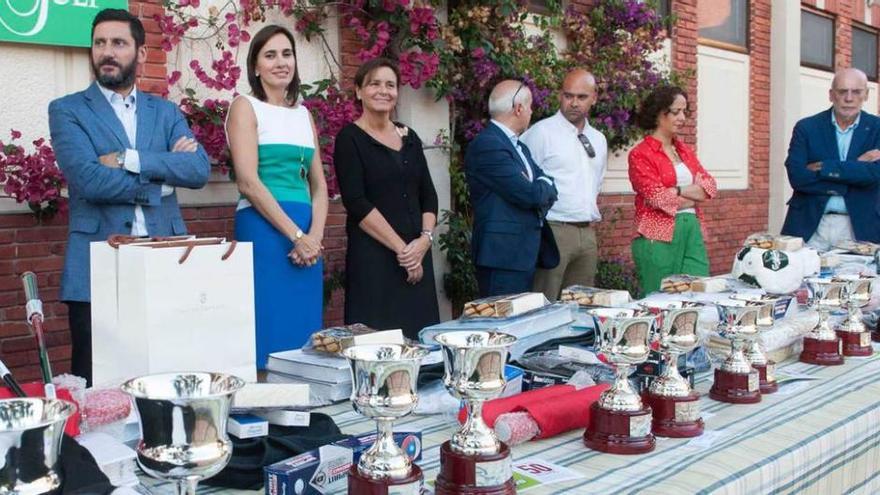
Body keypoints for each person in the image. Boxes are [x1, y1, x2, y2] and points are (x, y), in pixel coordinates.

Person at [48, 9, 210, 385]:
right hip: (98, 264)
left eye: (118, 43)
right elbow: (88, 180)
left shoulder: (166, 112)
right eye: (100, 43)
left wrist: (128, 160)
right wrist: (163, 180)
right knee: (97, 384)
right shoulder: (67, 110)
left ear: (140, 53)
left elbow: (199, 170)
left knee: (168, 376)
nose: (107, 51)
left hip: (165, 260)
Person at [226, 25, 329, 367]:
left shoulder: (303, 114)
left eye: (287, 54)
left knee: (303, 329)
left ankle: (303, 411)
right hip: (265, 228)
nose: (280, 62)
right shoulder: (245, 107)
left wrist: (313, 237)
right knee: (267, 324)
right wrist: (296, 236)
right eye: (270, 55)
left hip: (305, 232)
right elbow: (248, 182)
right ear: (255, 66)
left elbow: (319, 186)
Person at [334, 58, 439, 339]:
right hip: (375, 259)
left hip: (417, 255)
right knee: (377, 343)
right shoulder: (349, 139)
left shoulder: (411, 138)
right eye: (374, 84)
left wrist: (423, 242)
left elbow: (429, 196)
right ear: (358, 91)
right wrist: (404, 252)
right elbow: (356, 202)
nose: (383, 91)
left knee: (421, 344)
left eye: (390, 85)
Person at [466, 79, 559, 298]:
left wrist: (541, 183)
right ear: (518, 108)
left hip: (522, 253)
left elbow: (549, 184)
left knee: (520, 324)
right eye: (529, 106)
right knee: (503, 325)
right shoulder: (488, 144)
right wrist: (541, 184)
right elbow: (530, 194)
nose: (531, 111)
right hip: (503, 256)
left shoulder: (519, 147)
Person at [521, 69, 607, 300]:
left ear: (594, 98)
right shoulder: (541, 132)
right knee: (543, 302)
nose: (574, 103)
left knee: (580, 304)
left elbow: (596, 183)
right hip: (553, 229)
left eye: (581, 97)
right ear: (560, 95)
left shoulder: (598, 139)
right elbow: (523, 182)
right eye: (568, 96)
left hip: (587, 231)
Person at [628, 85, 717, 297]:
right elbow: (658, 198)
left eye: (684, 111)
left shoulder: (684, 150)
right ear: (659, 113)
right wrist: (694, 196)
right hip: (658, 235)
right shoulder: (640, 154)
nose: (682, 117)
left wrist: (677, 190)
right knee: (661, 299)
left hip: (692, 229)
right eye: (676, 112)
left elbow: (711, 187)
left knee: (698, 294)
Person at [781, 68, 880, 249]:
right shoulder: (806, 128)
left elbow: (874, 175)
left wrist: (827, 168)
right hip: (809, 226)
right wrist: (856, 170)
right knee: (799, 276)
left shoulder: (877, 128)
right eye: (842, 91)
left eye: (856, 92)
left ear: (866, 95)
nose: (849, 98)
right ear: (831, 95)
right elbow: (798, 177)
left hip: (860, 229)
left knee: (857, 277)